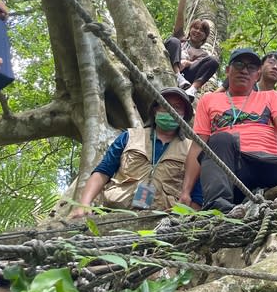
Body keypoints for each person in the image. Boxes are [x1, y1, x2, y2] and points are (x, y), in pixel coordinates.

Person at [180, 49, 277, 212]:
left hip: (267, 162)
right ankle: (218, 207)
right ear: (227, 70)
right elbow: (198, 145)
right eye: (239, 64)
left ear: (258, 74)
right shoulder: (209, 99)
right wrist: (186, 192)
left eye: (251, 67)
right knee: (221, 138)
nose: (245, 70)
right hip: (231, 167)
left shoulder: (271, 96)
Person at [71, 87, 196, 217]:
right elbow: (103, 171)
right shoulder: (129, 136)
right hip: (115, 214)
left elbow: (196, 191)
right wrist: (84, 204)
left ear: (184, 115)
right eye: (166, 105)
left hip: (164, 219)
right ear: (155, 109)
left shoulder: (192, 149)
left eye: (177, 107)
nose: (171, 110)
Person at [164, 0, 219, 98]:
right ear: (190, 29)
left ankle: (192, 90)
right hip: (171, 67)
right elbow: (180, 14)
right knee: (173, 41)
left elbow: (199, 66)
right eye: (195, 28)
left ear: (205, 37)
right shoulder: (180, 38)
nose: (197, 31)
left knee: (213, 61)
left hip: (187, 76)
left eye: (202, 30)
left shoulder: (203, 54)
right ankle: (177, 76)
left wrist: (187, 62)